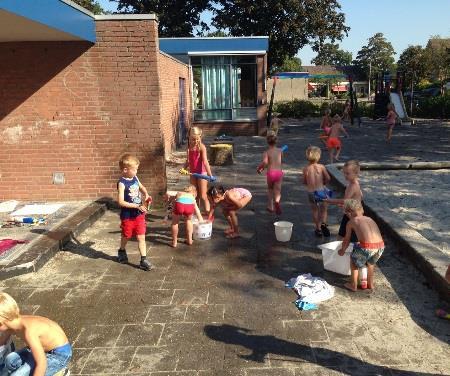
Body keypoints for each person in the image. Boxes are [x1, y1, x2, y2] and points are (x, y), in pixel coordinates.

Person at [0, 292, 72, 376]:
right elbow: (2, 342)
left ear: (1, 323)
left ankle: (60, 372)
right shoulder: (13, 323)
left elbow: (42, 363)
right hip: (42, 350)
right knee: (10, 360)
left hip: (59, 355)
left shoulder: (29, 332)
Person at [338, 200, 384, 292]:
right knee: (370, 263)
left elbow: (346, 240)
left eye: (346, 213)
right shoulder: (369, 219)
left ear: (349, 212)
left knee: (354, 262)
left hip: (366, 247)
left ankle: (353, 285)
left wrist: (342, 250)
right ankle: (370, 284)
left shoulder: (351, 222)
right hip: (380, 246)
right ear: (361, 210)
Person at [117, 154, 152, 271]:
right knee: (126, 235)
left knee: (141, 237)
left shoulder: (135, 178)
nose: (137, 171)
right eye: (135, 169)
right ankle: (122, 250)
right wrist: (137, 205)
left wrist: (146, 194)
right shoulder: (122, 183)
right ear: (125, 170)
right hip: (127, 216)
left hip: (139, 215)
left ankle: (143, 259)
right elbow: (121, 202)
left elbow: (142, 187)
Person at [325, 160, 363, 243]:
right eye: (344, 173)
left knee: (352, 238)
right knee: (341, 234)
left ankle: (352, 253)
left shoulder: (353, 186)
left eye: (348, 173)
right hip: (349, 214)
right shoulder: (353, 184)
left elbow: (345, 201)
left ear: (356, 173)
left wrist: (330, 201)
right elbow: (359, 195)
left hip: (354, 216)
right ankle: (338, 251)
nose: (345, 175)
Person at [302, 146, 331, 237]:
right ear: (318, 156)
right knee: (324, 210)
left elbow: (304, 181)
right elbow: (328, 178)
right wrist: (324, 183)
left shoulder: (306, 169)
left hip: (311, 192)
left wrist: (308, 183)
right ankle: (323, 225)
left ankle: (318, 229)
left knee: (315, 211)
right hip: (321, 191)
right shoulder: (321, 167)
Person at [185, 127, 213, 214]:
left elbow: (205, 162)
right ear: (189, 137)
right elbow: (188, 161)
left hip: (202, 173)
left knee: (203, 195)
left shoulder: (202, 147)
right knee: (194, 195)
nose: (195, 141)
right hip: (193, 173)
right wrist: (183, 168)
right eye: (193, 139)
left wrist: (210, 174)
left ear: (200, 137)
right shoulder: (189, 147)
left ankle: (208, 212)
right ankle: (196, 213)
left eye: (197, 139)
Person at [257, 132, 284, 214]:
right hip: (279, 173)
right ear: (276, 141)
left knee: (270, 189)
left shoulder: (266, 152)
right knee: (278, 190)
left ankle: (270, 206)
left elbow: (265, 163)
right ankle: (277, 201)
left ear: (267, 142)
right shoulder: (280, 151)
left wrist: (260, 168)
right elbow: (281, 160)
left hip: (271, 173)